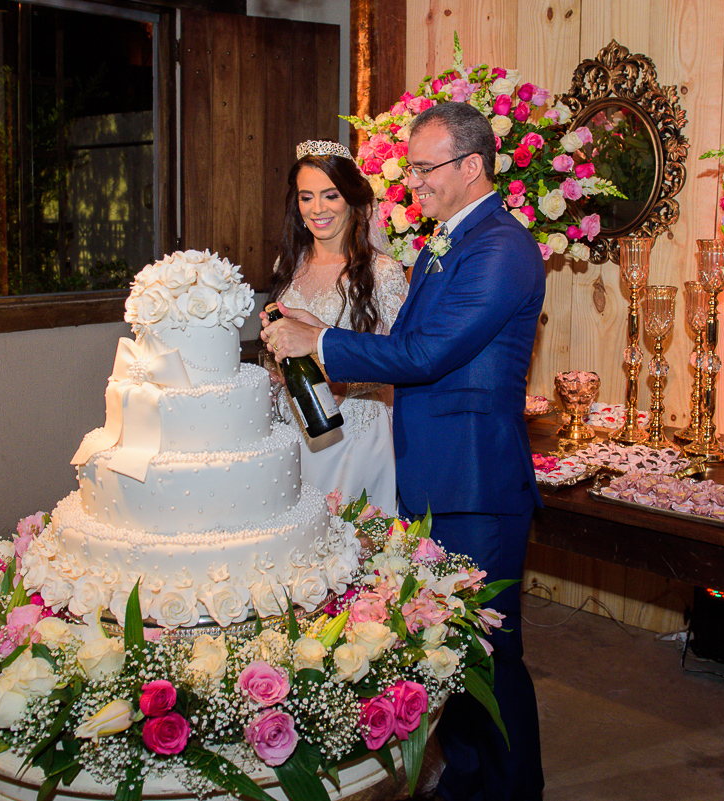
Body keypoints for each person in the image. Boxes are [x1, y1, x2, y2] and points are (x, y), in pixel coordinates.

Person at [262, 102, 546, 801]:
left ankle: (512, 791)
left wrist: (320, 342)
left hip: (476, 484)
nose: (412, 181)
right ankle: (468, 780)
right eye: (412, 167)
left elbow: (426, 352)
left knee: (492, 655)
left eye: (425, 168)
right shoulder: (444, 243)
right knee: (450, 653)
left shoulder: (502, 248)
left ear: (471, 166)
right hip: (433, 475)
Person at [266, 140, 406, 514]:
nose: (317, 209)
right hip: (296, 427)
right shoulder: (288, 264)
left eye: (330, 195)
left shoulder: (383, 274)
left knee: (352, 547)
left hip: (355, 433)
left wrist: (343, 383)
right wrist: (275, 370)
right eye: (306, 197)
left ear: (353, 198)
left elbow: (400, 363)